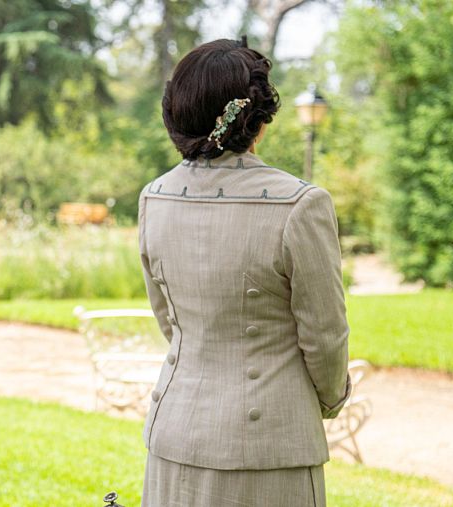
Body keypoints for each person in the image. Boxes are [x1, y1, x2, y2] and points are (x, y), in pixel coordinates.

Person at [138, 38, 351, 506]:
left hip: (175, 437)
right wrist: (333, 400)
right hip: (270, 448)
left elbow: (170, 323)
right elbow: (325, 335)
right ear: (256, 118)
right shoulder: (300, 203)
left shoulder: (154, 197)